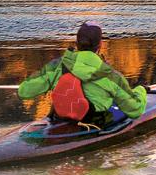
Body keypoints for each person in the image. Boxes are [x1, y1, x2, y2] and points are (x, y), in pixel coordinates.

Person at [17, 22, 147, 128]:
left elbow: (24, 91)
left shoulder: (56, 66)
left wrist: (49, 82)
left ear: (76, 43)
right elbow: (135, 110)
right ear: (100, 45)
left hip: (59, 119)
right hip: (93, 125)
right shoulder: (111, 76)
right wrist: (141, 91)